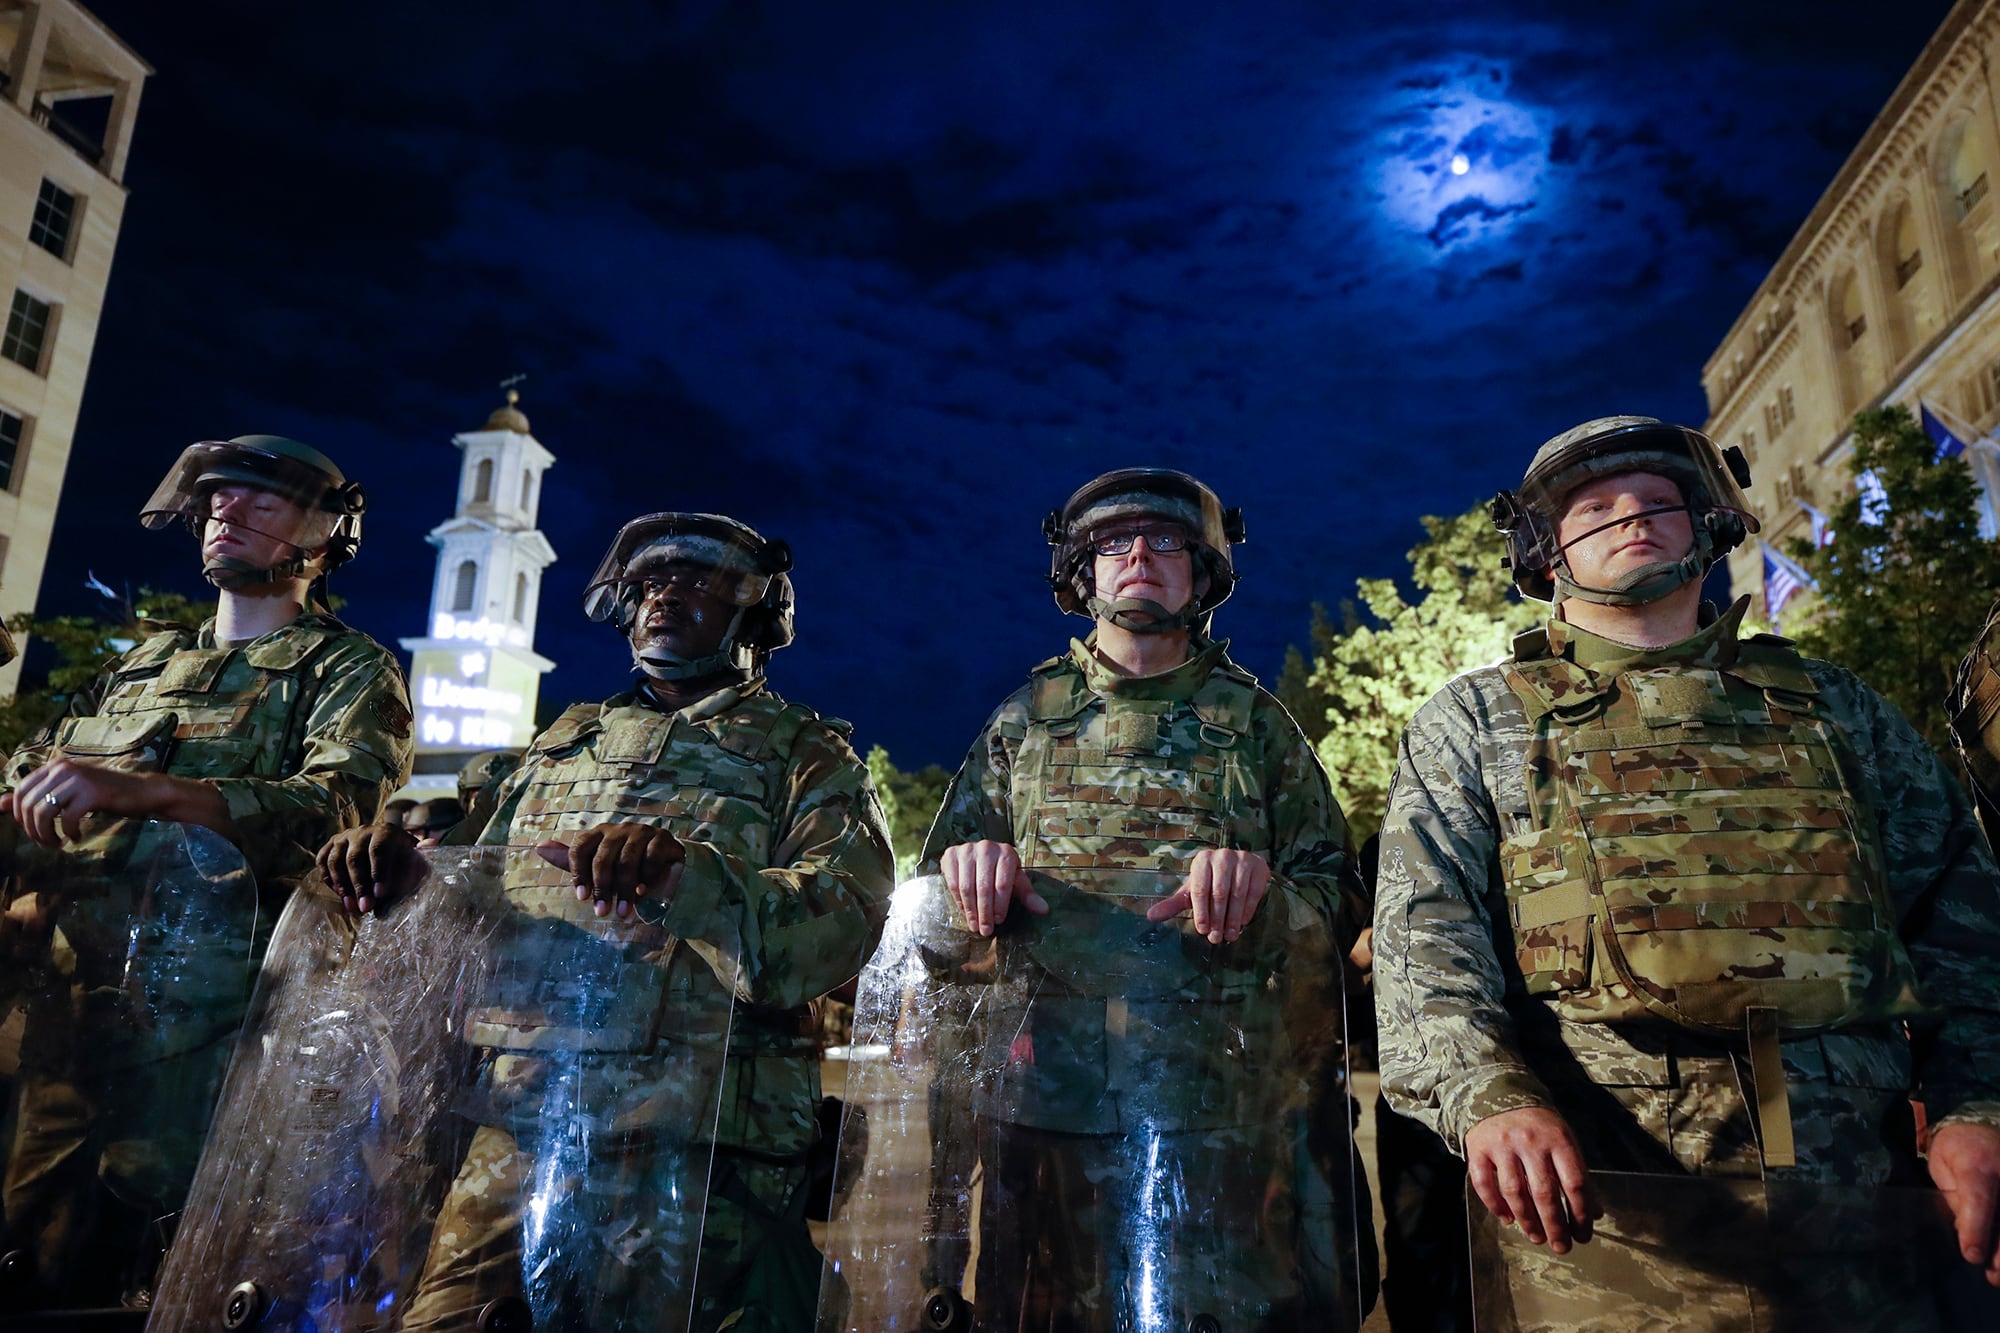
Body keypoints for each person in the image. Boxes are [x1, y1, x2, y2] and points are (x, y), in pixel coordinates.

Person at [1374, 416, 2000, 1325]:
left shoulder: (1836, 709)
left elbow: (1961, 918)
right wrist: (1487, 1097)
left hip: (1860, 1205)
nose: (1632, 516)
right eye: (1596, 507)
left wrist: (1973, 1105)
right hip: (1609, 1223)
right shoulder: (1476, 723)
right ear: (1548, 554)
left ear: (1710, 523)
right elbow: (1422, 936)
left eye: (1659, 499)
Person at [319, 511, 893, 1333]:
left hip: (702, 1157)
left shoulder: (805, 757)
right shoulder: (554, 748)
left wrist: (688, 880)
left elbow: (843, 922)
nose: (665, 596)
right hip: (520, 1130)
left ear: (753, 618)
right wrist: (396, 869)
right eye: (651, 582)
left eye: (699, 582)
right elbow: (471, 904)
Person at [916, 468, 1369, 1331]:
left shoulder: (1260, 727)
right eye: (1114, 542)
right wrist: (965, 876)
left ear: (1203, 573)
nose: (1139, 557)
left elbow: (1338, 901)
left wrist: (1268, 900)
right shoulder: (1020, 724)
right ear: (1082, 573)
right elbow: (935, 916)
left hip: (1222, 1128)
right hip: (1043, 1127)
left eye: (1166, 541)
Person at [0, 434, 414, 1307]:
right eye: (219, 497)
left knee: (177, 1266)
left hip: (218, 1029)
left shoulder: (347, 667)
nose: (227, 510)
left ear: (323, 538)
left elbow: (332, 808)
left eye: (262, 503)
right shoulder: (141, 666)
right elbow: (31, 779)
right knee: (32, 1253)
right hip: (66, 1011)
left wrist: (142, 789)